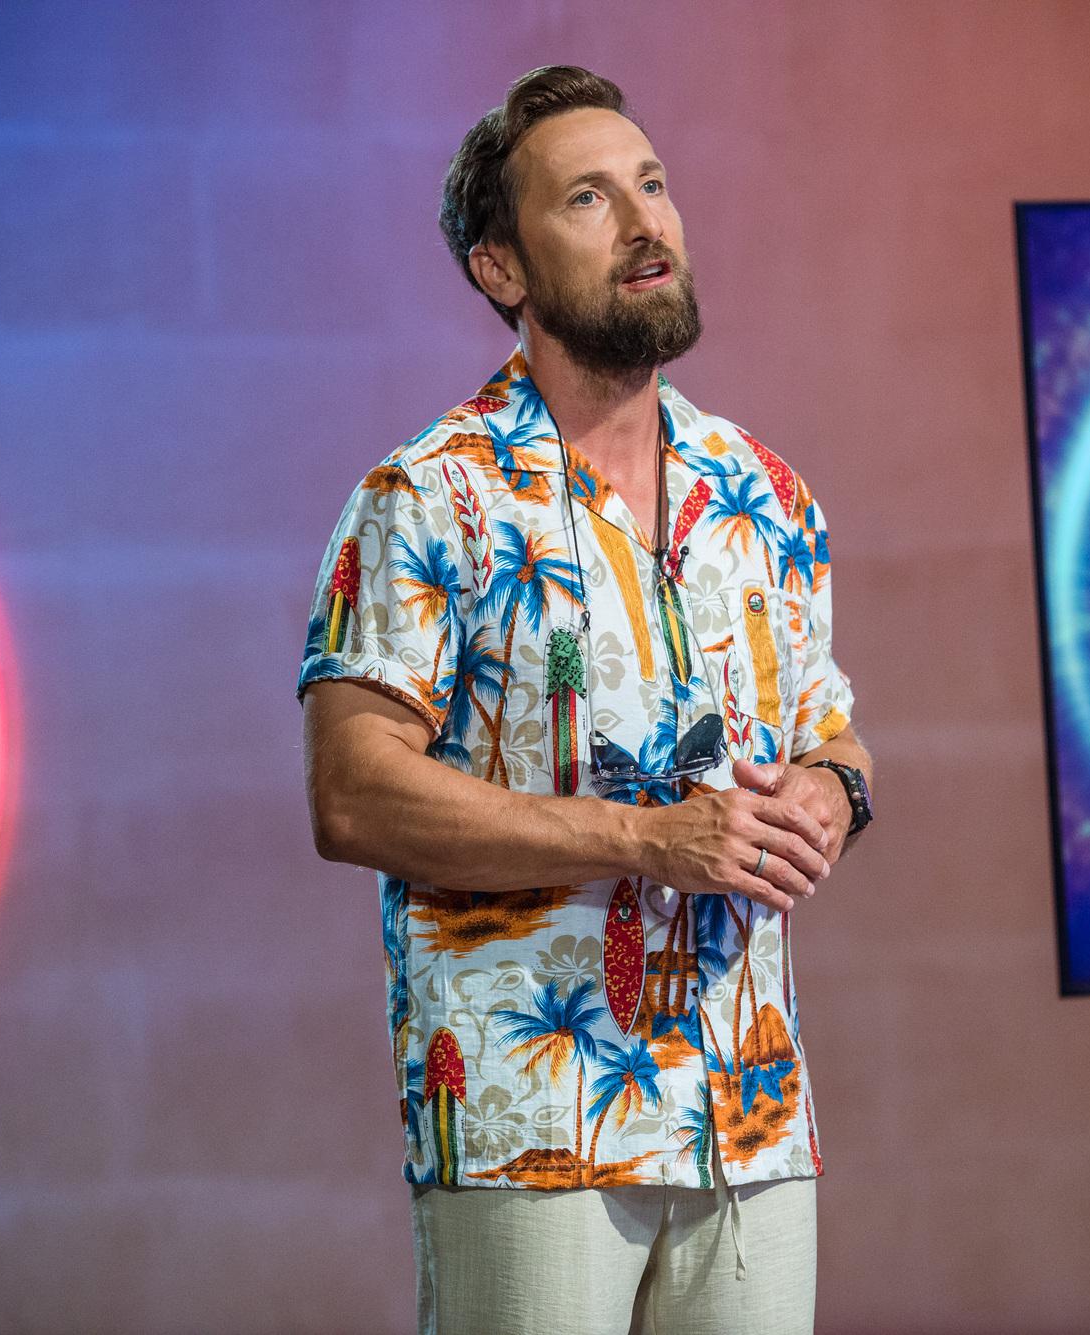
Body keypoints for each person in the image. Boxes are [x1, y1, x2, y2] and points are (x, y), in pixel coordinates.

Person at [297, 64, 873, 1335]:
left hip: (750, 1116)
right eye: (588, 199)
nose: (642, 221)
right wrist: (643, 837)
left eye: (651, 185)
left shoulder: (765, 494)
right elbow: (351, 794)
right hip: (529, 1119)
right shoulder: (425, 497)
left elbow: (830, 731)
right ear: (499, 267)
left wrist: (831, 793)